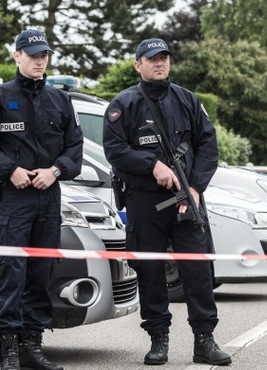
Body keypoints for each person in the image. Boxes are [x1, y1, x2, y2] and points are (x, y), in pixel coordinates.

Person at [103, 38, 231, 366]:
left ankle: (205, 340)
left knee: (198, 270)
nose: (159, 63)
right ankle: (158, 339)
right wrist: (152, 165)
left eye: (164, 58)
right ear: (138, 64)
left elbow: (208, 146)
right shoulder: (124, 103)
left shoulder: (187, 100)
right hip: (145, 201)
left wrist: (197, 188)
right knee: (150, 271)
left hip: (187, 199)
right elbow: (115, 150)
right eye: (152, 58)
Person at [0, 29, 83, 370]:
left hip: (48, 197)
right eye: (32, 54)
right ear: (17, 56)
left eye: (44, 55)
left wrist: (56, 170)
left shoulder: (61, 100)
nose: (39, 60)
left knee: (40, 272)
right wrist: (10, 170)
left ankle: (32, 346)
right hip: (15, 198)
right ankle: (8, 349)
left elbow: (75, 149)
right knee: (13, 272)